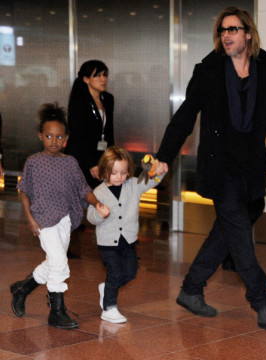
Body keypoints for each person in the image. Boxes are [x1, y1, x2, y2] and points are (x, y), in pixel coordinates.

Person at [155, 6, 266, 329]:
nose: (226, 35)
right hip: (220, 168)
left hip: (251, 169)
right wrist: (163, 156)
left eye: (233, 29)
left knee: (227, 232)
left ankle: (191, 289)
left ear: (248, 34)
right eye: (222, 31)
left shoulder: (265, 75)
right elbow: (184, 117)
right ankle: (262, 303)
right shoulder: (209, 72)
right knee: (240, 236)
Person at [9, 103, 109, 329]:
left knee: (54, 263)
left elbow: (83, 189)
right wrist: (31, 220)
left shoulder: (70, 162)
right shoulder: (33, 162)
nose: (54, 141)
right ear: (40, 136)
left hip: (65, 219)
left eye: (59, 137)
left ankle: (22, 288)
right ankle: (57, 312)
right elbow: (24, 191)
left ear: (66, 139)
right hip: (43, 220)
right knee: (60, 262)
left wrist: (98, 203)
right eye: (48, 136)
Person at [86, 147, 167, 324]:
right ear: (104, 172)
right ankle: (109, 307)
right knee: (115, 272)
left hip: (128, 240)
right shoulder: (98, 192)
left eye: (123, 172)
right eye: (114, 173)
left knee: (130, 273)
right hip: (108, 243)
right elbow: (90, 216)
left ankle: (107, 289)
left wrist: (160, 172)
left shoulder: (132, 185)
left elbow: (151, 181)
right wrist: (99, 214)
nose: (119, 176)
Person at [65, 60, 114, 189]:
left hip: (101, 155)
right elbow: (78, 135)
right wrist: (91, 164)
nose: (103, 79)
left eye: (105, 75)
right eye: (97, 75)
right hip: (81, 157)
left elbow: (109, 131)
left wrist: (112, 157)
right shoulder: (78, 101)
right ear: (86, 79)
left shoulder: (108, 99)